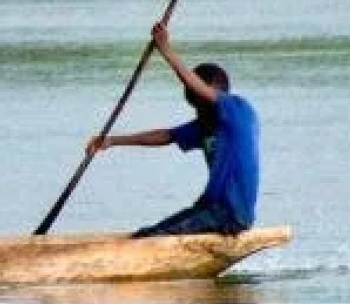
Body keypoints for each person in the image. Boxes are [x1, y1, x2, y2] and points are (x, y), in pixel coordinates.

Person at [86, 23, 258, 237]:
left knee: (157, 237)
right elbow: (166, 136)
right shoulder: (206, 125)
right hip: (209, 209)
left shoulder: (238, 109)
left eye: (198, 101)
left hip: (230, 213)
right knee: (148, 233)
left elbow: (200, 89)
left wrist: (165, 49)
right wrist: (112, 141)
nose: (196, 108)